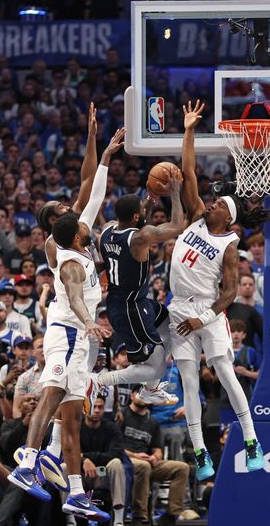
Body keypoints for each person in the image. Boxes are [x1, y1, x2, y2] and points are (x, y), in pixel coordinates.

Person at [9, 131, 120, 520]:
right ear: (55, 224)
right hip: (70, 330)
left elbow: (91, 186)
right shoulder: (62, 249)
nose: (72, 207)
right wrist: (91, 321)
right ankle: (28, 459)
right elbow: (73, 294)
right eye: (62, 209)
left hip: (81, 338)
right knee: (52, 393)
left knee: (72, 415)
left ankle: (74, 492)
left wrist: (98, 147)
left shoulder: (78, 237)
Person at [170, 100, 267, 481]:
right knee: (189, 383)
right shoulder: (195, 216)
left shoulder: (229, 245)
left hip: (207, 314)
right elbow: (189, 171)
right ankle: (199, 452)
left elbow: (228, 294)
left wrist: (203, 319)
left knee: (225, 373)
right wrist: (189, 129)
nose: (208, 203)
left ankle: (251, 438)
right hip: (179, 309)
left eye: (216, 204)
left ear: (227, 215)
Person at [95, 167, 184, 405]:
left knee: (170, 328)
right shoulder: (140, 238)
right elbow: (177, 226)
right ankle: (101, 380)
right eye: (140, 211)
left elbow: (134, 219)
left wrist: (149, 201)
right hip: (129, 308)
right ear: (136, 217)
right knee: (155, 368)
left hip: (131, 301)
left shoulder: (107, 230)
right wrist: (175, 192)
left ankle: (150, 391)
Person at [122, 387, 190, 526]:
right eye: (141, 394)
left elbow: (157, 449)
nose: (144, 397)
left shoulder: (152, 422)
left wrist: (155, 457)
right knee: (144, 466)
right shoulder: (122, 415)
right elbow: (115, 447)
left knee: (182, 468)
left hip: (146, 462)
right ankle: (140, 516)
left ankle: (172, 514)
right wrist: (135, 455)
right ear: (132, 396)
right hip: (126, 461)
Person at [80, 395, 127, 526]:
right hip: (81, 476)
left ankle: (118, 520)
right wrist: (83, 460)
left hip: (103, 474)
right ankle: (70, 521)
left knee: (116, 463)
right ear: (84, 408)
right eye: (93, 407)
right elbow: (66, 452)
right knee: (65, 466)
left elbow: (116, 454)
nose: (96, 410)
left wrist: (86, 456)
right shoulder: (76, 427)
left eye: (100, 407)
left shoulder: (112, 428)